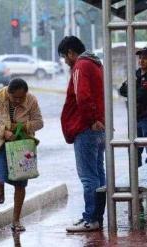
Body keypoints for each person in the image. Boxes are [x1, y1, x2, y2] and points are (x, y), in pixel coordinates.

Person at [0, 78, 43, 232]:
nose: (17, 100)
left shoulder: (31, 100)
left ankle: (16, 220)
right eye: (14, 97)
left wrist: (22, 127)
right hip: (0, 144)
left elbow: (39, 122)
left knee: (20, 184)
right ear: (8, 93)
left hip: (22, 146)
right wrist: (3, 131)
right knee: (0, 174)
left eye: (21, 98)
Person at [58, 36, 105, 232]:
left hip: (86, 128)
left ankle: (91, 218)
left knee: (88, 177)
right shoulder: (95, 64)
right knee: (98, 174)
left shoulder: (80, 66)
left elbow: (83, 97)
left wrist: (92, 119)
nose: (65, 61)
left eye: (64, 57)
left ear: (70, 52)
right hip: (97, 128)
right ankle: (95, 217)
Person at [119, 47, 147, 167]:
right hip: (135, 118)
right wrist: (135, 89)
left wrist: (133, 88)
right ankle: (138, 179)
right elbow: (121, 90)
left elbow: (143, 94)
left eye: (145, 58)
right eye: (140, 58)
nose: (141, 61)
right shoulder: (135, 74)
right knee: (134, 150)